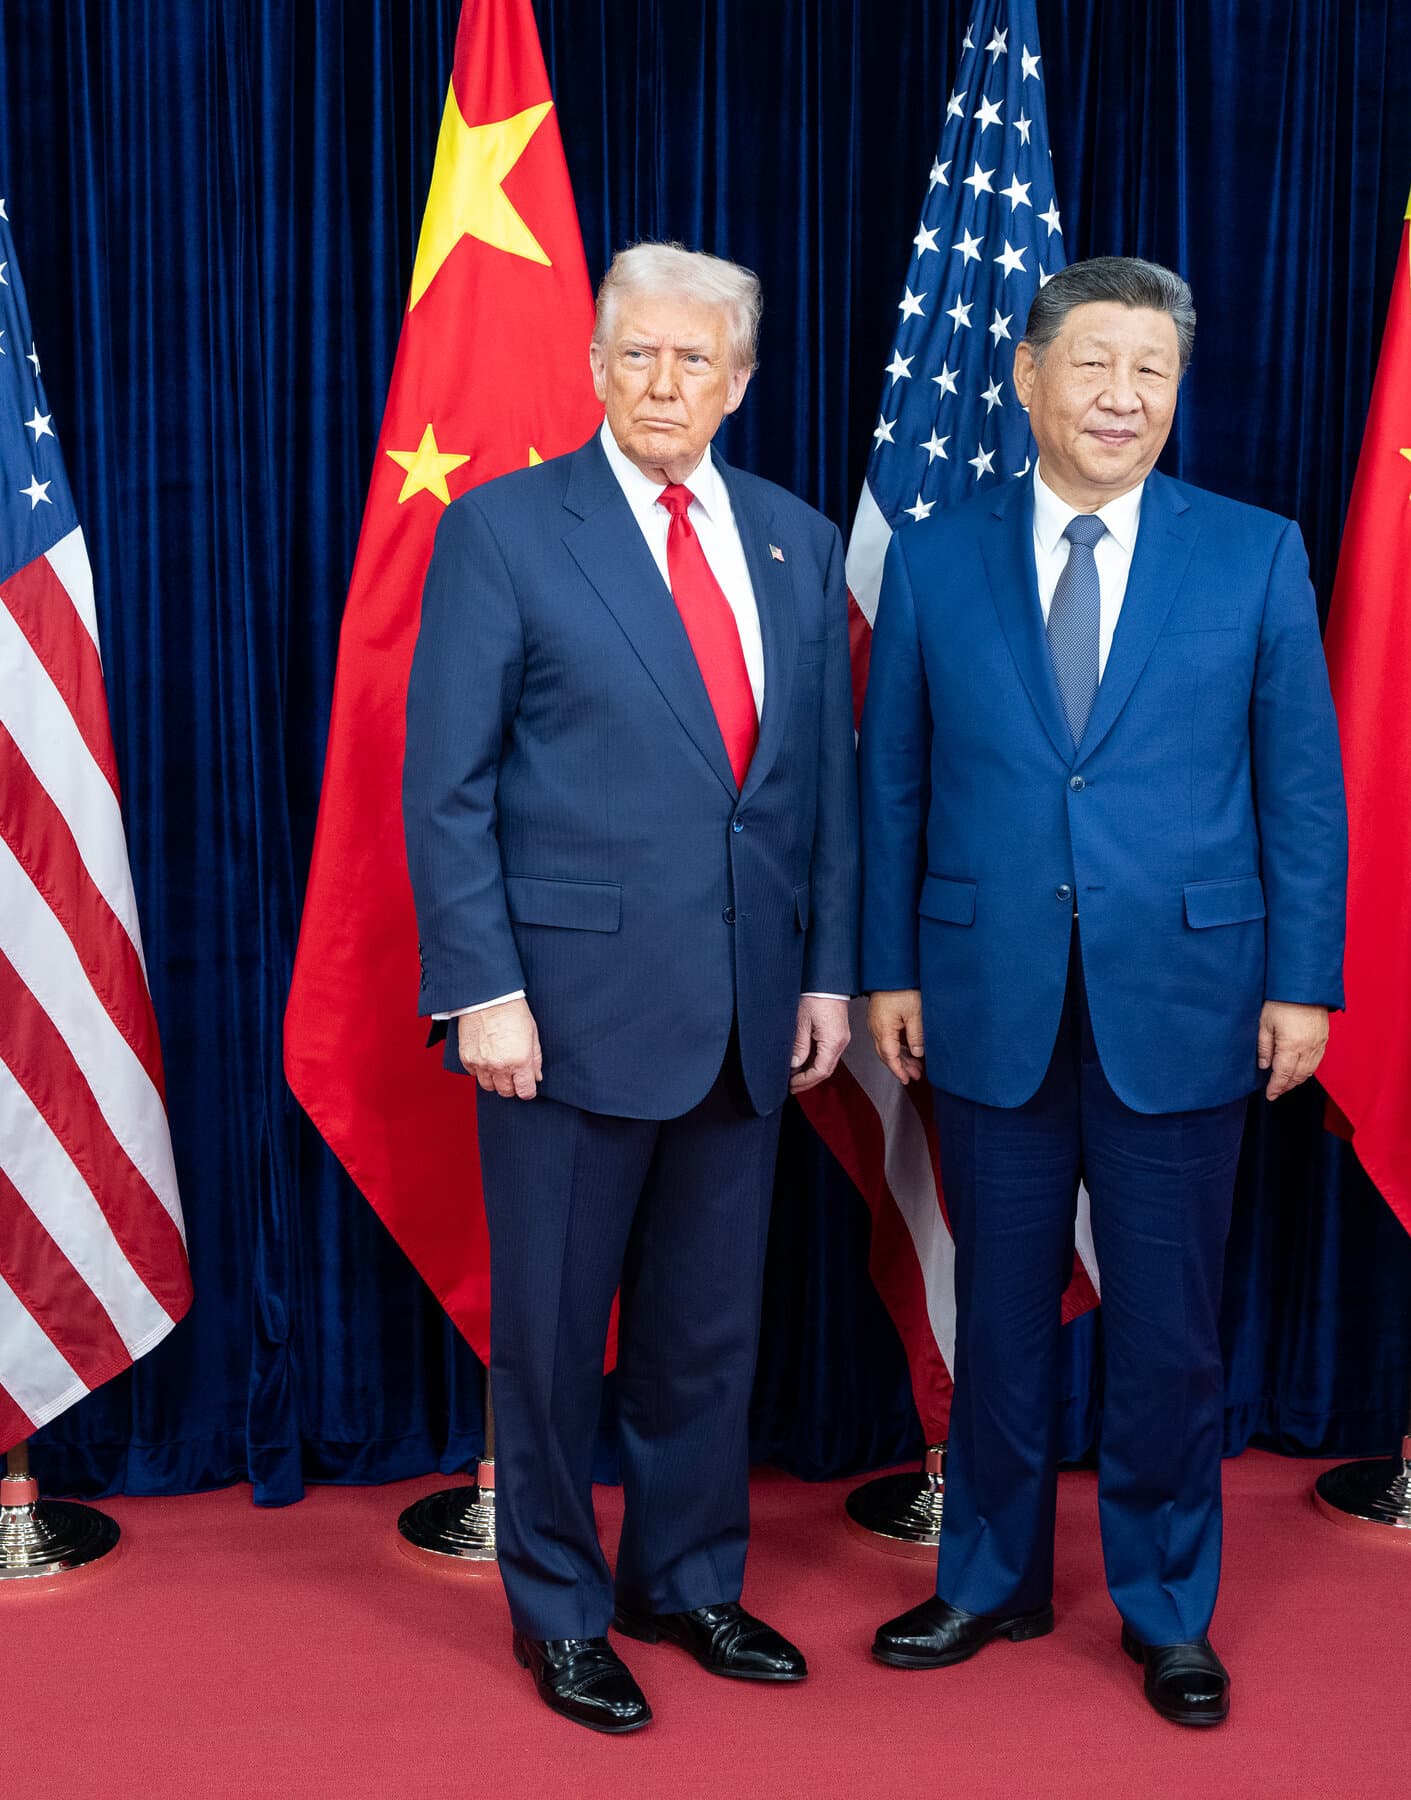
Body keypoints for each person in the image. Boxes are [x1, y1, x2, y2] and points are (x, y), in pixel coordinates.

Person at [858, 256, 1347, 1727]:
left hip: (1191, 995)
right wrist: (887, 962)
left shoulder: (1253, 553)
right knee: (999, 1313)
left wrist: (1302, 986)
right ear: (1027, 377)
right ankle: (988, 1578)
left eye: (1152, 371)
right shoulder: (936, 556)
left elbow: (1301, 792)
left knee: (1167, 1327)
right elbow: (894, 785)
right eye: (1095, 365)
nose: (1123, 397)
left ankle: (1166, 1606)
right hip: (980, 990)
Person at [403, 242, 858, 1735]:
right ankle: (560, 1610)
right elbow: (447, 786)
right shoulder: (505, 533)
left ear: (739, 380)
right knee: (549, 1337)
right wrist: (481, 988)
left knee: (705, 1334)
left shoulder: (792, 539)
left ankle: (687, 1579)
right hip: (560, 1016)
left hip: (747, 1010)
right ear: (597, 368)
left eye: (697, 361)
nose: (666, 384)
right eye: (639, 356)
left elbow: (820, 795)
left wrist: (827, 980)